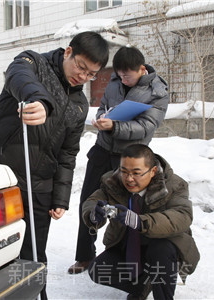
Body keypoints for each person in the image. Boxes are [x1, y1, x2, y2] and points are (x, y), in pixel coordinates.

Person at [0, 31, 109, 299]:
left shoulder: (79, 104)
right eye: (81, 67)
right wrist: (39, 100)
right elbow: (19, 77)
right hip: (3, 176)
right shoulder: (33, 63)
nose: (83, 77)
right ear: (68, 52)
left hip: (41, 185)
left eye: (91, 74)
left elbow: (68, 153)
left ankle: (38, 294)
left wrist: (60, 197)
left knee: (36, 254)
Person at [69, 46, 170, 274]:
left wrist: (115, 126)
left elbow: (147, 126)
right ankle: (84, 256)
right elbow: (103, 106)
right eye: (119, 75)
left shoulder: (157, 92)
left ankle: (127, 261)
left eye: (128, 76)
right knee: (88, 201)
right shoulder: (115, 82)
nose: (123, 80)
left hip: (131, 160)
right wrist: (101, 118)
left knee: (126, 211)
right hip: (102, 150)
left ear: (141, 69)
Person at [82, 144, 200, 299]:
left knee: (161, 250)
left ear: (153, 171)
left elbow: (182, 215)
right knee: (98, 270)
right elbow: (93, 200)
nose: (129, 179)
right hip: (128, 246)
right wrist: (93, 214)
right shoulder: (113, 181)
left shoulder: (173, 185)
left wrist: (139, 221)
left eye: (136, 173)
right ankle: (142, 287)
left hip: (160, 246)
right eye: (124, 171)